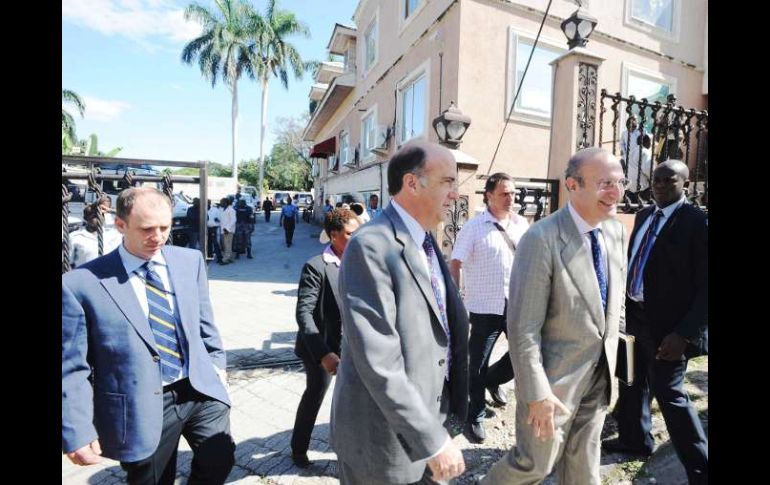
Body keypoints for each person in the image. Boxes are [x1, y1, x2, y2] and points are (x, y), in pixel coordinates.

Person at [62, 187, 235, 485]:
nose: (158, 237)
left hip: (200, 388)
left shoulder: (189, 261)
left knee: (220, 459)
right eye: (146, 229)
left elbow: (205, 323)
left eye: (164, 227)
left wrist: (217, 367)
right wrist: (76, 427)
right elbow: (71, 366)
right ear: (120, 225)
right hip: (139, 404)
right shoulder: (81, 284)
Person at [482, 147, 628, 485]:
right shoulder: (541, 239)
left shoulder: (615, 232)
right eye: (605, 183)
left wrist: (616, 351)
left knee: (584, 465)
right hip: (552, 385)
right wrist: (536, 394)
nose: (616, 193)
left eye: (620, 182)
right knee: (532, 465)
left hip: (599, 375)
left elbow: (614, 300)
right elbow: (522, 330)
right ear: (572, 185)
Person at [331, 140, 469, 484]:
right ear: (412, 183)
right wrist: (433, 440)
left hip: (426, 426)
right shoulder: (371, 245)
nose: (455, 194)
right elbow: (380, 360)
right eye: (447, 181)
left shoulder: (424, 239)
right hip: (383, 445)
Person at [603, 160, 708, 484]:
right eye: (656, 180)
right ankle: (635, 440)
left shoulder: (697, 222)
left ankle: (700, 467)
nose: (660, 185)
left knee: (670, 395)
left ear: (684, 185)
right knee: (631, 381)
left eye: (669, 180)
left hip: (669, 329)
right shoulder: (645, 214)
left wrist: (684, 334)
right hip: (635, 317)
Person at [449, 172, 529, 443]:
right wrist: (454, 299)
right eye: (505, 193)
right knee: (476, 365)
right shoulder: (474, 227)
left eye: (514, 193)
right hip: (484, 308)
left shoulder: (522, 224)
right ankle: (476, 416)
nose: (511, 198)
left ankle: (494, 380)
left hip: (517, 305)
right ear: (489, 196)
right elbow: (456, 262)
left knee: (523, 357)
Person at [290, 208, 360, 469]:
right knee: (315, 396)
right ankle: (298, 448)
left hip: (353, 347)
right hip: (322, 349)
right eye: (350, 234)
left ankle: (349, 450)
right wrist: (323, 354)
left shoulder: (360, 262)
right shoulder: (316, 266)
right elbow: (304, 314)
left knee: (352, 401)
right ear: (333, 235)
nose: (357, 238)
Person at [69, 202, 122, 268]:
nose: (99, 218)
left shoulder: (113, 234)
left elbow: (133, 216)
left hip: (108, 276)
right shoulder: (75, 237)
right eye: (95, 216)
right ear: (86, 218)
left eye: (101, 215)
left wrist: (110, 210)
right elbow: (67, 263)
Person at [625, 134, 653, 205]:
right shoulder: (645, 152)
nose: (651, 144)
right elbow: (648, 169)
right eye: (650, 142)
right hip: (642, 186)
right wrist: (653, 179)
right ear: (646, 142)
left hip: (630, 186)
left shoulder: (631, 152)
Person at [219, 197, 236, 264]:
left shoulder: (231, 210)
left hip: (228, 230)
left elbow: (233, 220)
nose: (220, 203)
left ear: (225, 203)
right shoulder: (223, 209)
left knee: (227, 245)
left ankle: (225, 260)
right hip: (223, 230)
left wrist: (227, 228)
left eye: (221, 202)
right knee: (226, 245)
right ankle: (230, 258)